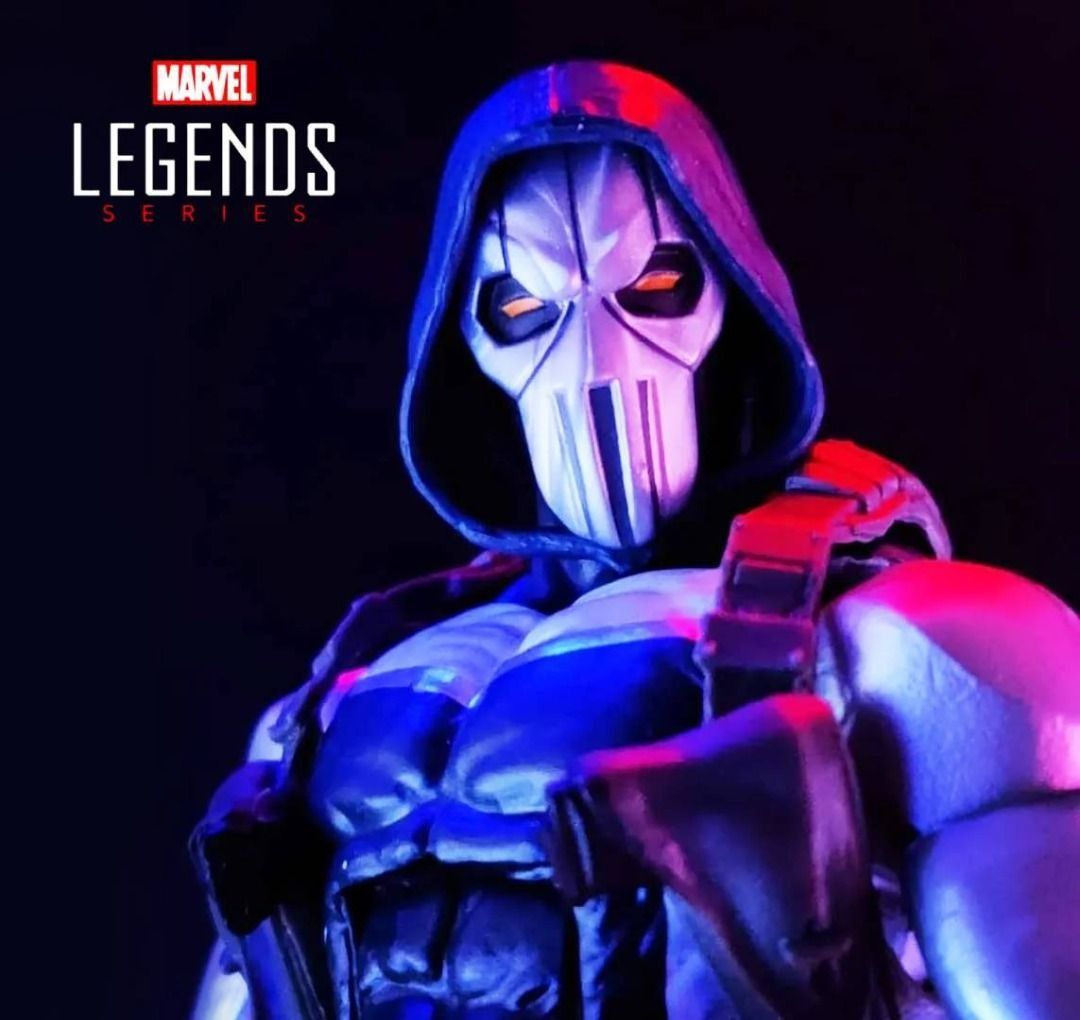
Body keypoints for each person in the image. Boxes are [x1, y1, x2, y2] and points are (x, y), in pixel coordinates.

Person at [192, 61, 1079, 1019]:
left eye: (653, 282)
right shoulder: (335, 704)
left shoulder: (922, 642)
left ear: (732, 293)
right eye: (524, 307)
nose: (596, 358)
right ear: (465, 340)